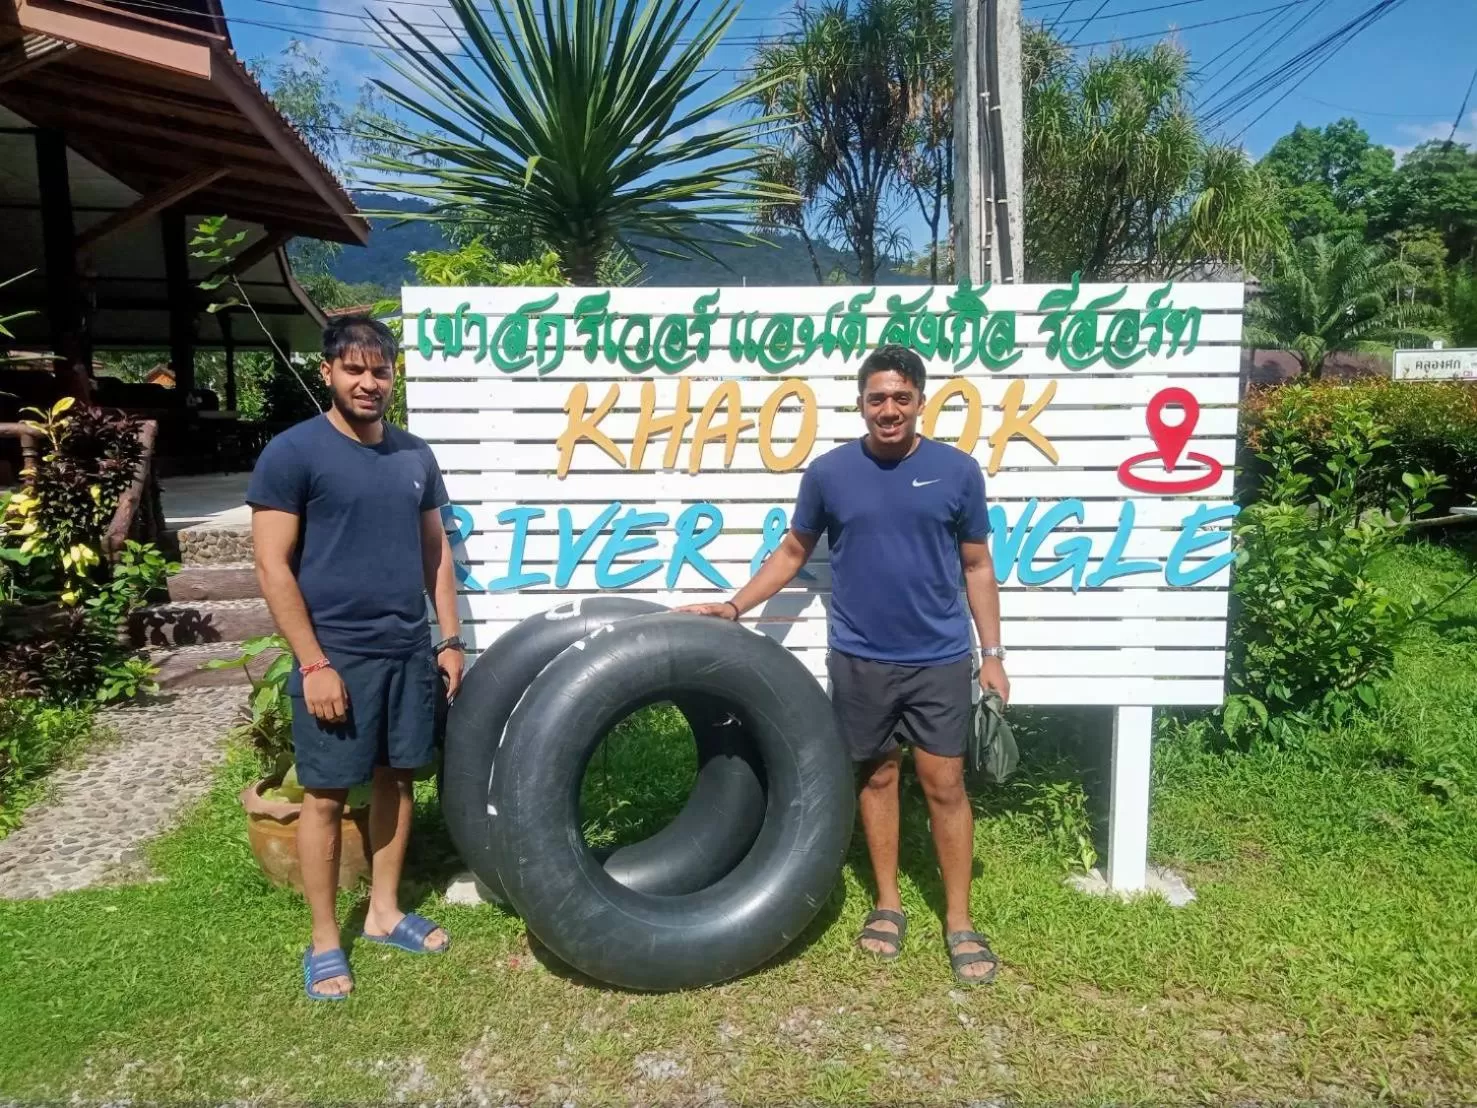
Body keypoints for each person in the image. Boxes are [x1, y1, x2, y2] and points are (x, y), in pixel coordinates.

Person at [680, 344, 1009, 985]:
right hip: (860, 657)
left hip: (940, 656)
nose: (889, 409)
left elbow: (977, 565)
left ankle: (959, 919)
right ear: (861, 403)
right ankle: (887, 903)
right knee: (878, 778)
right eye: (877, 398)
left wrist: (992, 654)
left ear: (920, 401)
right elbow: (793, 550)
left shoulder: (958, 472)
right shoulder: (829, 474)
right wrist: (735, 605)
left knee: (945, 784)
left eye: (901, 397)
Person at [246, 315, 465, 1001]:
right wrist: (314, 664)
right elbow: (272, 566)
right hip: (336, 656)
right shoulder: (292, 453)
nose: (369, 383)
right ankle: (324, 941)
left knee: (397, 781)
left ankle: (383, 913)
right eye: (355, 369)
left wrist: (448, 639)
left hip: (407, 651)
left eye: (381, 371)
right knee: (325, 795)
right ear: (328, 373)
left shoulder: (414, 456)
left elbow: (436, 553)